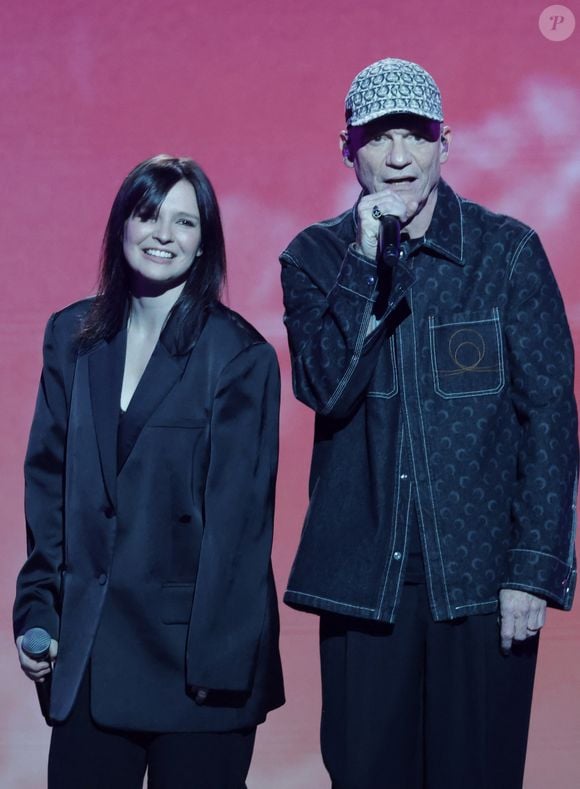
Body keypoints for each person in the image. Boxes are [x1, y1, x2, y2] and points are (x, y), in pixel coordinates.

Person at [280, 58, 577, 789]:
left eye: (416, 136)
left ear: (449, 143)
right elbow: (325, 386)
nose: (399, 157)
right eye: (379, 138)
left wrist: (533, 570)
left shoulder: (506, 252)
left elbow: (550, 419)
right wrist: (364, 259)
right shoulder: (316, 257)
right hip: (363, 586)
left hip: (480, 583)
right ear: (348, 148)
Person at [14, 154, 284, 789]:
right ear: (120, 226)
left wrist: (216, 673)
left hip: (196, 668)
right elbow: (49, 481)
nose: (164, 234)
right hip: (89, 655)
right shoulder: (71, 338)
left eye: (185, 222)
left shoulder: (239, 356)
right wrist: (39, 610)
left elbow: (239, 529)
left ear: (203, 244)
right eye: (148, 214)